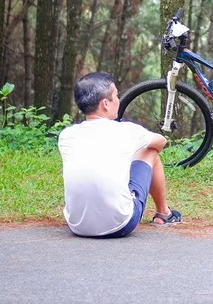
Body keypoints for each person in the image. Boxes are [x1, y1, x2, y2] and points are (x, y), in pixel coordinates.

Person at [58, 72, 182, 237]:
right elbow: (161, 142)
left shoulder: (67, 135)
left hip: (77, 226)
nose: (118, 100)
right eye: (116, 96)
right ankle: (164, 213)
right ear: (105, 104)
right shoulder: (126, 131)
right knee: (150, 152)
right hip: (120, 225)